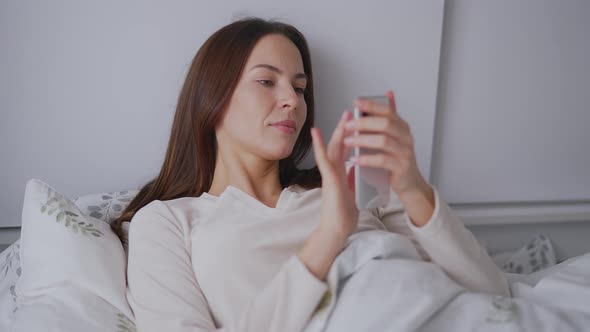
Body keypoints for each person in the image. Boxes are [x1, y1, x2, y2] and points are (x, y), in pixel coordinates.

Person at [112, 17, 510, 332]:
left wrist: (411, 187)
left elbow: (493, 294)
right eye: (267, 81)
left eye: (300, 88)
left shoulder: (346, 190)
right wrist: (328, 238)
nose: (292, 101)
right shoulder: (167, 222)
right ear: (211, 97)